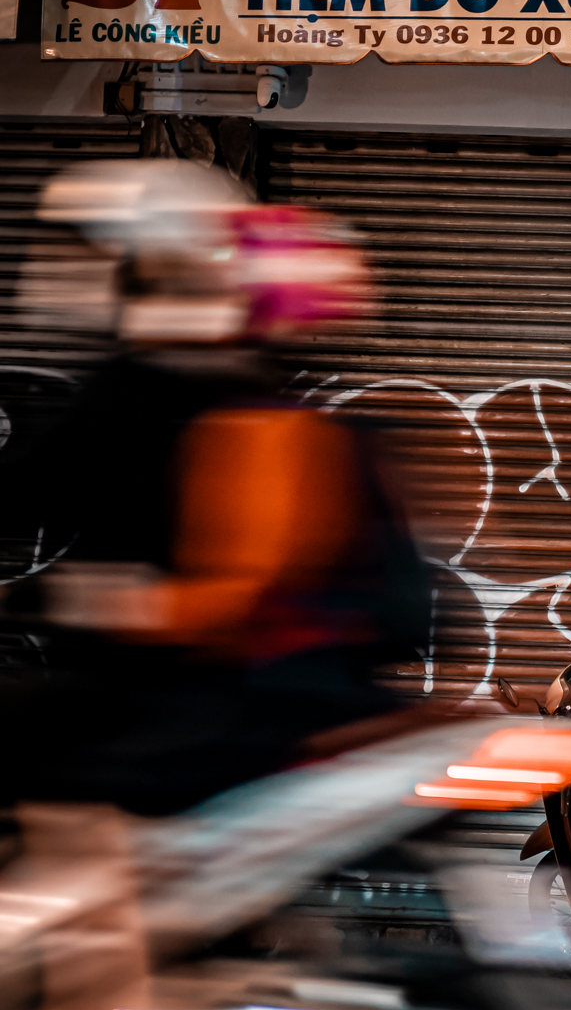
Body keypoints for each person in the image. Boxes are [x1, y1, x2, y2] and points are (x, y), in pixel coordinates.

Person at [0, 160, 433, 817]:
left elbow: (31, 490)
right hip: (254, 697)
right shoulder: (259, 391)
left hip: (188, 705)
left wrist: (64, 599)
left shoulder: (143, 390)